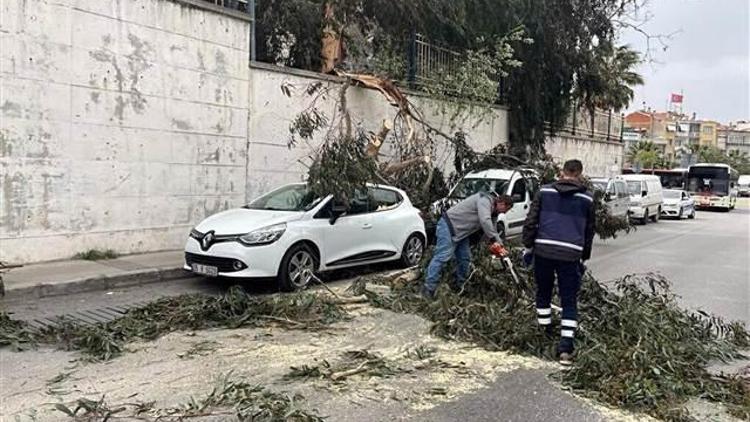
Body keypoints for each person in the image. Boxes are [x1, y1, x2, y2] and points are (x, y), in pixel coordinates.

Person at [522, 159, 595, 366]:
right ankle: (565, 350)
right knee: (569, 300)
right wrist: (584, 257)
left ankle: (544, 334)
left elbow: (531, 221)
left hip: (543, 251)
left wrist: (528, 247)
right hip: (571, 255)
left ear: (562, 172)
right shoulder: (587, 199)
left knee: (543, 293)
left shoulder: (545, 192)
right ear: (580, 174)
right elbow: (589, 231)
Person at [423, 192, 514, 298]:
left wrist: (501, 247)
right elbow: (485, 221)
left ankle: (461, 286)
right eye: (506, 210)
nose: (504, 213)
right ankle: (429, 288)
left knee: (465, 258)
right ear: (502, 203)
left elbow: (492, 230)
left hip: (462, 233)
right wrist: (493, 239)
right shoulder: (485, 201)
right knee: (442, 257)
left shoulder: (494, 212)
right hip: (449, 226)